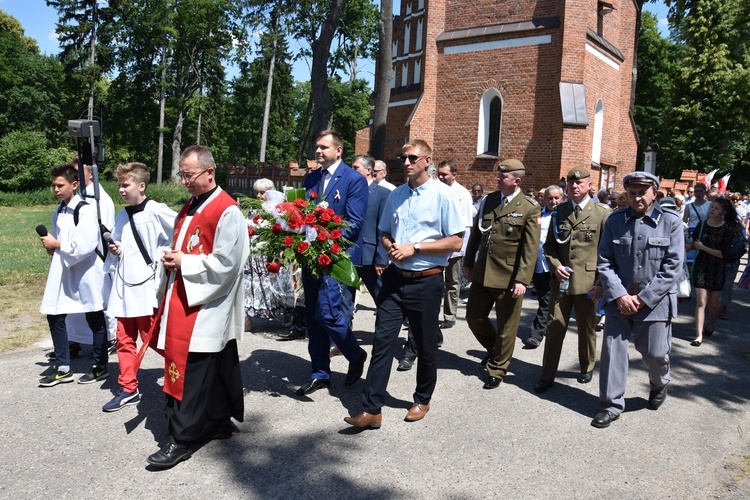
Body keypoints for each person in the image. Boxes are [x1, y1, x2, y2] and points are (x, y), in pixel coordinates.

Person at [344, 139, 464, 429]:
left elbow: (456, 240)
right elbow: (385, 231)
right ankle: (372, 409)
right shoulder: (396, 195)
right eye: (403, 157)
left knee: (424, 346)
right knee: (383, 343)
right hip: (395, 280)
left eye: (412, 157)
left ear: (427, 161)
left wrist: (416, 248)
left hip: (427, 280)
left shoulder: (444, 195)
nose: (406, 162)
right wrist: (390, 246)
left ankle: (422, 398)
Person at [147, 145, 249, 469]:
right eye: (182, 174)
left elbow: (228, 264)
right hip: (187, 296)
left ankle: (182, 439)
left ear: (209, 172)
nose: (184, 181)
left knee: (192, 372)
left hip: (209, 304)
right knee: (215, 366)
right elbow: (184, 246)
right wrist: (170, 258)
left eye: (189, 175)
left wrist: (184, 262)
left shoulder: (227, 210)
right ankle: (218, 420)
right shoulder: (190, 206)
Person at [591, 171, 683, 428]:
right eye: (632, 193)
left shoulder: (671, 222)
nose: (637, 197)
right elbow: (605, 261)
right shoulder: (615, 220)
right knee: (613, 352)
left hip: (655, 303)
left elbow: (672, 267)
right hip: (618, 301)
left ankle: (659, 383)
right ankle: (610, 405)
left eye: (642, 192)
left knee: (655, 353)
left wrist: (642, 299)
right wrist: (619, 294)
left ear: (654, 192)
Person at [296, 130, 369, 396]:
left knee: (328, 313)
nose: (318, 151)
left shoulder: (354, 180)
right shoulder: (312, 177)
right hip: (310, 256)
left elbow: (354, 222)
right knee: (313, 317)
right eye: (316, 146)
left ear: (338, 150)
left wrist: (324, 240)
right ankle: (320, 373)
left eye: (324, 147)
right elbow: (302, 213)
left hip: (336, 257)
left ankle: (355, 353)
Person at [102, 162, 176, 411]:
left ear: (141, 186)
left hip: (145, 287)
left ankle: (185, 375)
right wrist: (116, 248)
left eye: (126, 185)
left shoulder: (156, 210)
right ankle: (128, 388)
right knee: (123, 339)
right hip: (124, 287)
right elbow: (124, 244)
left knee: (152, 338)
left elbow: (179, 232)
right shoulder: (123, 214)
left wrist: (165, 254)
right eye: (119, 185)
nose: (121, 190)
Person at [463, 159, 541, 389]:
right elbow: (477, 235)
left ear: (516, 180)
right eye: (498, 175)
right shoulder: (489, 200)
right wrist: (468, 263)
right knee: (474, 317)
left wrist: (522, 279)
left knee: (507, 328)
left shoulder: (529, 207)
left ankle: (497, 368)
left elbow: (530, 248)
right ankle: (494, 349)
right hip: (483, 272)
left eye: (502, 177)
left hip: (508, 277)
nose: (497, 179)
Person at [534, 168, 611, 393]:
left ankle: (586, 366)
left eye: (579, 183)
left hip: (588, 281)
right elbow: (549, 246)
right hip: (561, 281)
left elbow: (606, 251)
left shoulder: (602, 213)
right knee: (554, 326)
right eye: (571, 183)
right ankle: (547, 374)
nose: (575, 187)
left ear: (589, 186)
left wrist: (600, 283)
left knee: (587, 326)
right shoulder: (560, 212)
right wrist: (556, 266)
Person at [38, 164, 109, 386]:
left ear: (74, 185)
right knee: (55, 314)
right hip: (64, 271)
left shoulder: (85, 209)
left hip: (86, 272)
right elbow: (62, 242)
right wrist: (53, 248)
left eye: (60, 185)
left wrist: (57, 244)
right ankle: (63, 367)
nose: (56, 190)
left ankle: (100, 365)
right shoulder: (59, 211)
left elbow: (86, 245)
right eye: (54, 186)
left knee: (94, 316)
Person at [63, 158, 117, 356]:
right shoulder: (77, 196)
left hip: (95, 256)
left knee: (101, 299)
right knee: (75, 299)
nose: (75, 176)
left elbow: (103, 230)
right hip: (74, 255)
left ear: (91, 174)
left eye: (79, 172)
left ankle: (111, 337)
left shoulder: (101, 199)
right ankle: (74, 339)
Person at [243, 178, 295, 331]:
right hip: (254, 254)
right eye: (257, 193)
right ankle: (248, 318)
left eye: (262, 192)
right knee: (250, 284)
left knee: (279, 284)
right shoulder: (254, 210)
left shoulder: (277, 209)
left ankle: (287, 314)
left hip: (270, 253)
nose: (259, 196)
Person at [688, 197, 739, 346]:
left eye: (716, 208)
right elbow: (692, 243)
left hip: (717, 268)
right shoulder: (702, 225)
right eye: (711, 207)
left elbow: (723, 254)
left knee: (713, 304)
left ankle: (710, 325)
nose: (712, 210)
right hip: (701, 266)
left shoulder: (727, 229)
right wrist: (683, 246)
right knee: (701, 300)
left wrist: (702, 247)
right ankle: (698, 335)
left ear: (723, 212)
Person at [523, 185, 563, 349]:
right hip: (539, 265)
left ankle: (536, 334)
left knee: (547, 301)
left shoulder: (565, 216)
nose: (553, 201)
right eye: (550, 198)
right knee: (543, 299)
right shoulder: (537, 215)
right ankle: (547, 325)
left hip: (557, 266)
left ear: (562, 198)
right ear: (544, 199)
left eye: (556, 198)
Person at [436, 160, 474, 329]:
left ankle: (449, 316)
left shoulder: (462, 194)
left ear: (454, 175)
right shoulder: (435, 190)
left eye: (444, 174)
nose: (441, 177)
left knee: (452, 282)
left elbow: (466, 225)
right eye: (440, 173)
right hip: (436, 245)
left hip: (453, 247)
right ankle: (430, 312)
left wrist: (458, 248)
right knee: (435, 282)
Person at [351, 155, 390, 299]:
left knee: (381, 297)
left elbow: (383, 228)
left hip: (370, 256)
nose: (352, 170)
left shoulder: (382, 194)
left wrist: (381, 259)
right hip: (349, 253)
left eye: (356, 168)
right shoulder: (348, 192)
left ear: (368, 170)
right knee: (345, 301)